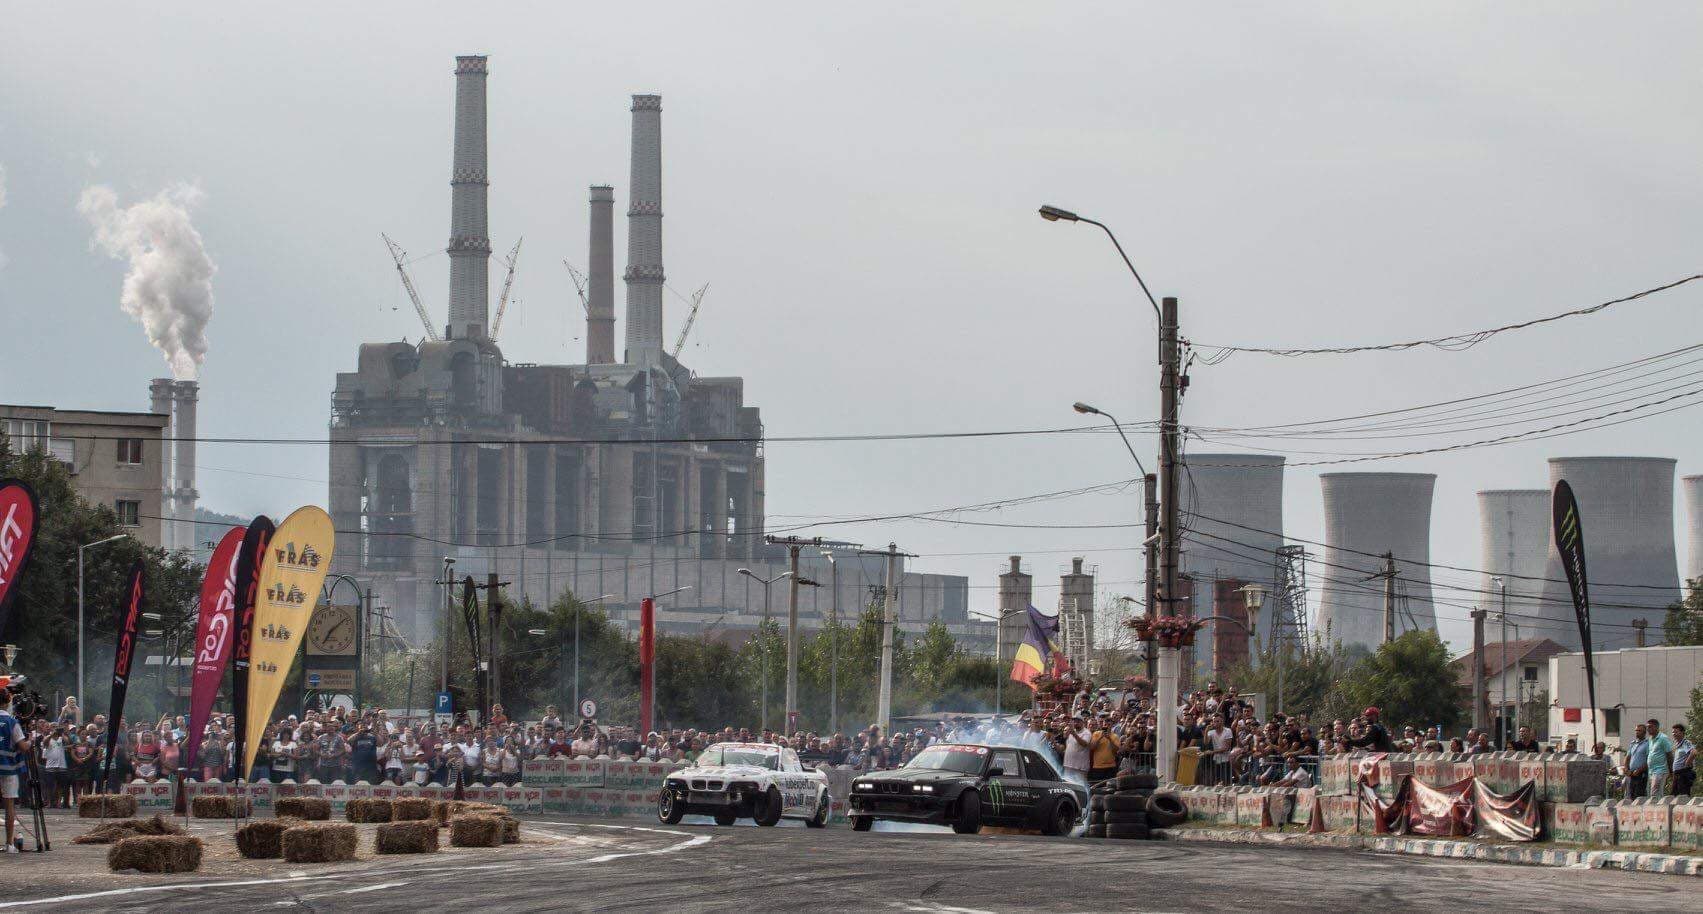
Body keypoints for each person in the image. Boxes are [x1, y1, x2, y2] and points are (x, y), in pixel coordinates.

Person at [0, 689, 33, 853]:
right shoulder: (12, 722)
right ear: (7, 702)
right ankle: (9, 844)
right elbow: (23, 746)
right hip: (9, 768)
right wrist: (30, 740)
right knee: (9, 806)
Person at [1644, 718, 1674, 799]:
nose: (1648, 729)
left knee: (1655, 793)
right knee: (1651, 793)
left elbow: (1669, 755)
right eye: (1647, 727)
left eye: (1650, 727)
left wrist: (1671, 771)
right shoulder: (1650, 739)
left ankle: (1659, 806)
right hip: (1651, 771)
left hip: (1660, 770)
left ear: (1657, 727)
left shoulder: (1663, 738)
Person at [1625, 723, 1649, 799]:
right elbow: (1628, 757)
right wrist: (1626, 769)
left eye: (1639, 731)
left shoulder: (1647, 743)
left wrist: (1639, 770)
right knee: (1630, 795)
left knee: (1639, 795)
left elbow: (1649, 760)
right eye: (1636, 730)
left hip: (1641, 774)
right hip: (1631, 773)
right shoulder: (1633, 743)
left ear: (1644, 732)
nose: (1637, 732)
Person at [1671, 724, 1695, 797]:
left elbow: (1694, 752)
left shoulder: (1685, 742)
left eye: (1676, 732)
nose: (1674, 734)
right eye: (1673, 732)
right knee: (1674, 795)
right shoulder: (1677, 744)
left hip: (1683, 773)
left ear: (1682, 733)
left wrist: (1687, 762)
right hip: (1677, 773)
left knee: (1683, 795)